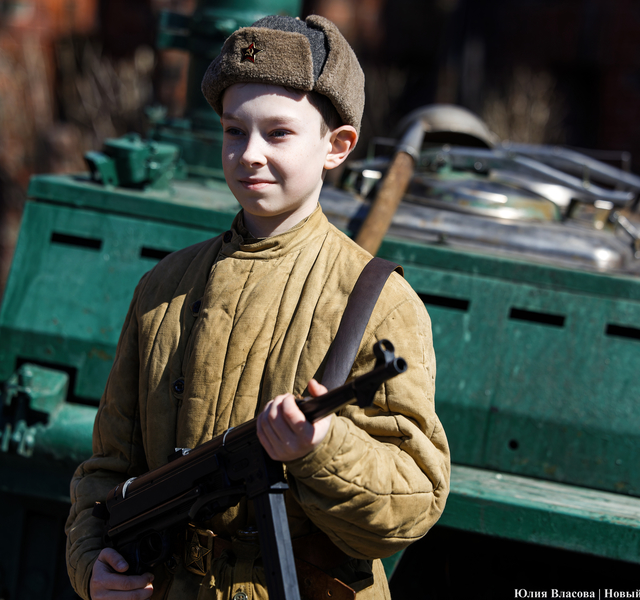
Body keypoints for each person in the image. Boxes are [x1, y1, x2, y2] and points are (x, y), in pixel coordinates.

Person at [65, 14, 450, 600]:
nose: (248, 154)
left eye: (278, 134)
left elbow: (414, 501)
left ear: (337, 146)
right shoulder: (162, 288)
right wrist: (92, 566)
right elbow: (107, 471)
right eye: (232, 131)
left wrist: (321, 448)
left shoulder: (378, 302)